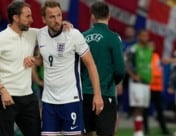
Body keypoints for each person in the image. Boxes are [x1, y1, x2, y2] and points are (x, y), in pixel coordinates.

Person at [35, 0, 103, 135]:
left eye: (59, 15)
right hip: (48, 100)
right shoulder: (40, 34)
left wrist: (97, 94)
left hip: (70, 99)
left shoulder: (73, 35)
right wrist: (35, 60)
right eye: (52, 17)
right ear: (43, 19)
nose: (57, 20)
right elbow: (46, 59)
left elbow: (91, 64)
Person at [0, 1, 41, 136]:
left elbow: (54, 32)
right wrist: (2, 91)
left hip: (28, 97)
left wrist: (66, 26)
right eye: (27, 16)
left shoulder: (34, 33)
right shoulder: (0, 39)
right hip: (4, 97)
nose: (31, 20)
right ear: (15, 17)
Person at [81, 1, 125, 136]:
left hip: (84, 93)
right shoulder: (113, 38)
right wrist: (112, 82)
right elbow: (120, 69)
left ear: (92, 16)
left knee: (87, 132)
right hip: (105, 93)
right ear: (109, 15)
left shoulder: (82, 36)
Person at [126, 29, 153, 136]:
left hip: (146, 82)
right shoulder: (134, 49)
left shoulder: (149, 49)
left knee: (142, 108)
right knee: (137, 107)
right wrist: (133, 75)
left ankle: (139, 131)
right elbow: (126, 63)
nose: (145, 38)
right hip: (137, 83)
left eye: (147, 36)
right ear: (139, 37)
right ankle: (137, 132)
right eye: (143, 36)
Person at [143, 52, 170, 135]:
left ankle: (164, 129)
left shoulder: (156, 56)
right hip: (149, 87)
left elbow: (159, 71)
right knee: (146, 110)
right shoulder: (145, 56)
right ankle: (146, 130)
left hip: (157, 88)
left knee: (160, 110)